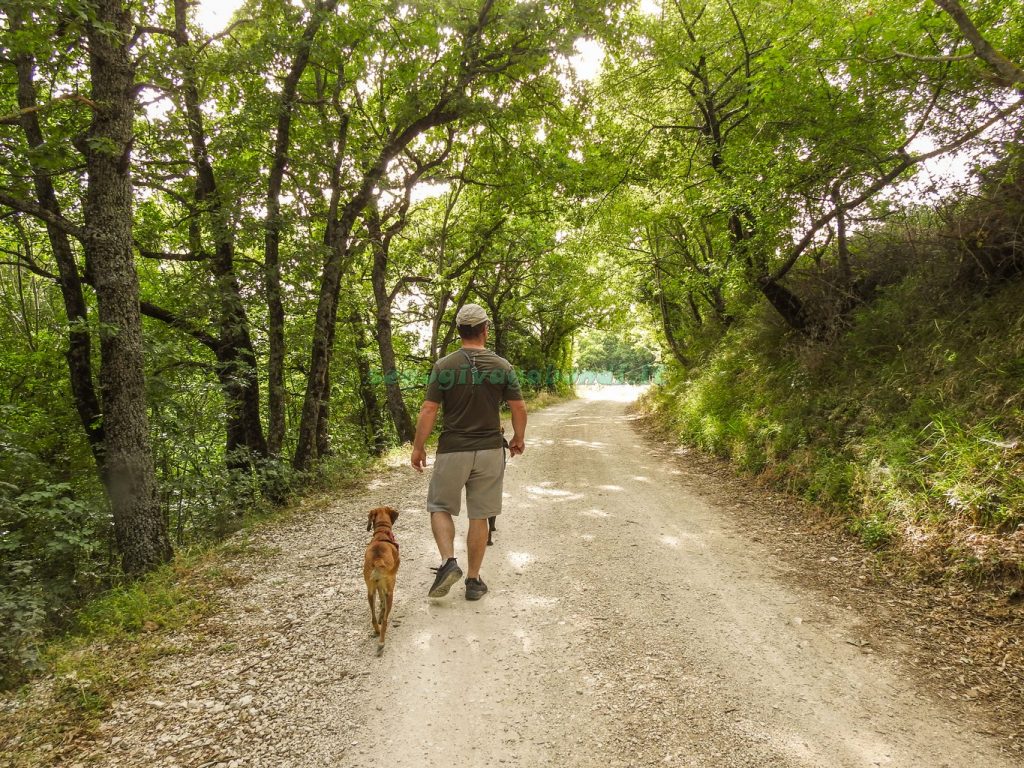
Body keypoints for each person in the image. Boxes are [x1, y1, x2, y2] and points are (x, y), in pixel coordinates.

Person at [411, 303, 527, 601]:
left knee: (439, 506)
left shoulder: (444, 367)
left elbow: (429, 409)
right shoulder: (502, 367)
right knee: (480, 515)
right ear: (485, 330)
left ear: (460, 331)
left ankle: (449, 562)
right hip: (489, 449)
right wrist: (518, 438)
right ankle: (474, 582)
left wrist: (418, 446)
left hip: (453, 449)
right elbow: (518, 407)